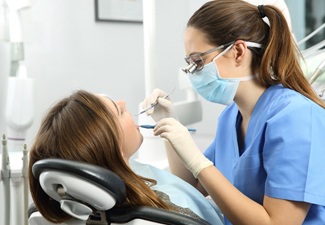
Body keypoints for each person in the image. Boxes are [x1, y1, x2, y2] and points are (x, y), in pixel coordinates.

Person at [141, 0, 325, 224]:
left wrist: (199, 162)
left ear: (238, 51)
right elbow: (193, 185)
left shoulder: (297, 117)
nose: (192, 73)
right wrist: (168, 124)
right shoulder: (230, 118)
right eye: (189, 63)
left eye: (198, 62)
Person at [28, 90, 223, 225]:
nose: (124, 103)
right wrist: (198, 162)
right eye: (119, 111)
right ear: (112, 146)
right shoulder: (159, 213)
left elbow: (180, 188)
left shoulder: (87, 199)